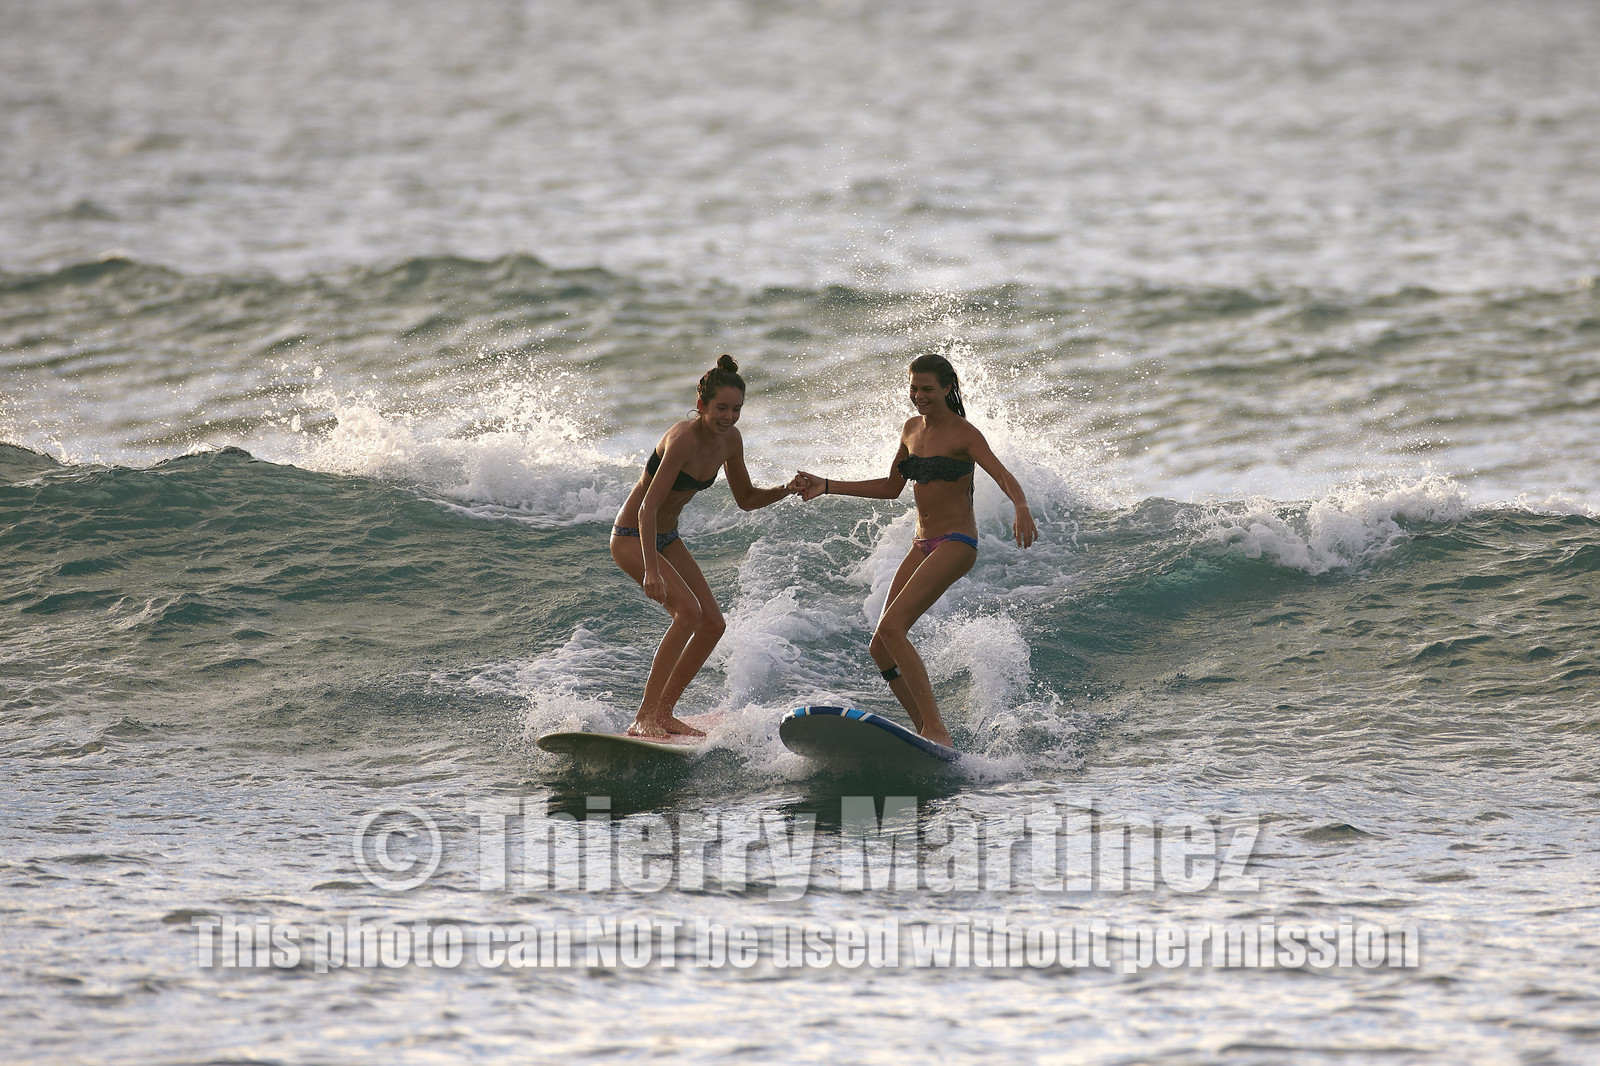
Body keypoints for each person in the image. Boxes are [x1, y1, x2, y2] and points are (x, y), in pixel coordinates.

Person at [794, 353, 1036, 748]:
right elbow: (891, 488)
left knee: (893, 628)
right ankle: (925, 730)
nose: (919, 395)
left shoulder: (965, 434)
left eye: (927, 389)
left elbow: (1003, 475)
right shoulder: (910, 430)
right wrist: (827, 485)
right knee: (880, 645)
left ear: (947, 388)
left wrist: (1021, 506)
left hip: (957, 542)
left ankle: (937, 730)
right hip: (922, 544)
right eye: (913, 388)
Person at [611, 355, 801, 737]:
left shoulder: (730, 442)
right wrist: (651, 570)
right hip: (633, 534)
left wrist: (787, 489)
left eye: (736, 409)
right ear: (701, 405)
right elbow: (648, 508)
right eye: (721, 408)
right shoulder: (682, 438)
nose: (729, 417)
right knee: (687, 613)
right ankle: (644, 716)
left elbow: (746, 498)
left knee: (713, 624)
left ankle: (664, 712)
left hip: (667, 538)